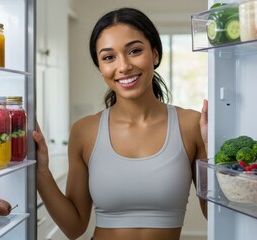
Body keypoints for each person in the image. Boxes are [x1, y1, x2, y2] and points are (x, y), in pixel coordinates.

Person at [33, 7, 208, 240]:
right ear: (100, 67)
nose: (123, 66)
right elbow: (74, 227)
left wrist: (217, 156)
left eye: (134, 51)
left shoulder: (191, 124)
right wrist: (41, 171)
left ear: (155, 54)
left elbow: (215, 214)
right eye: (108, 57)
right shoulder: (84, 131)